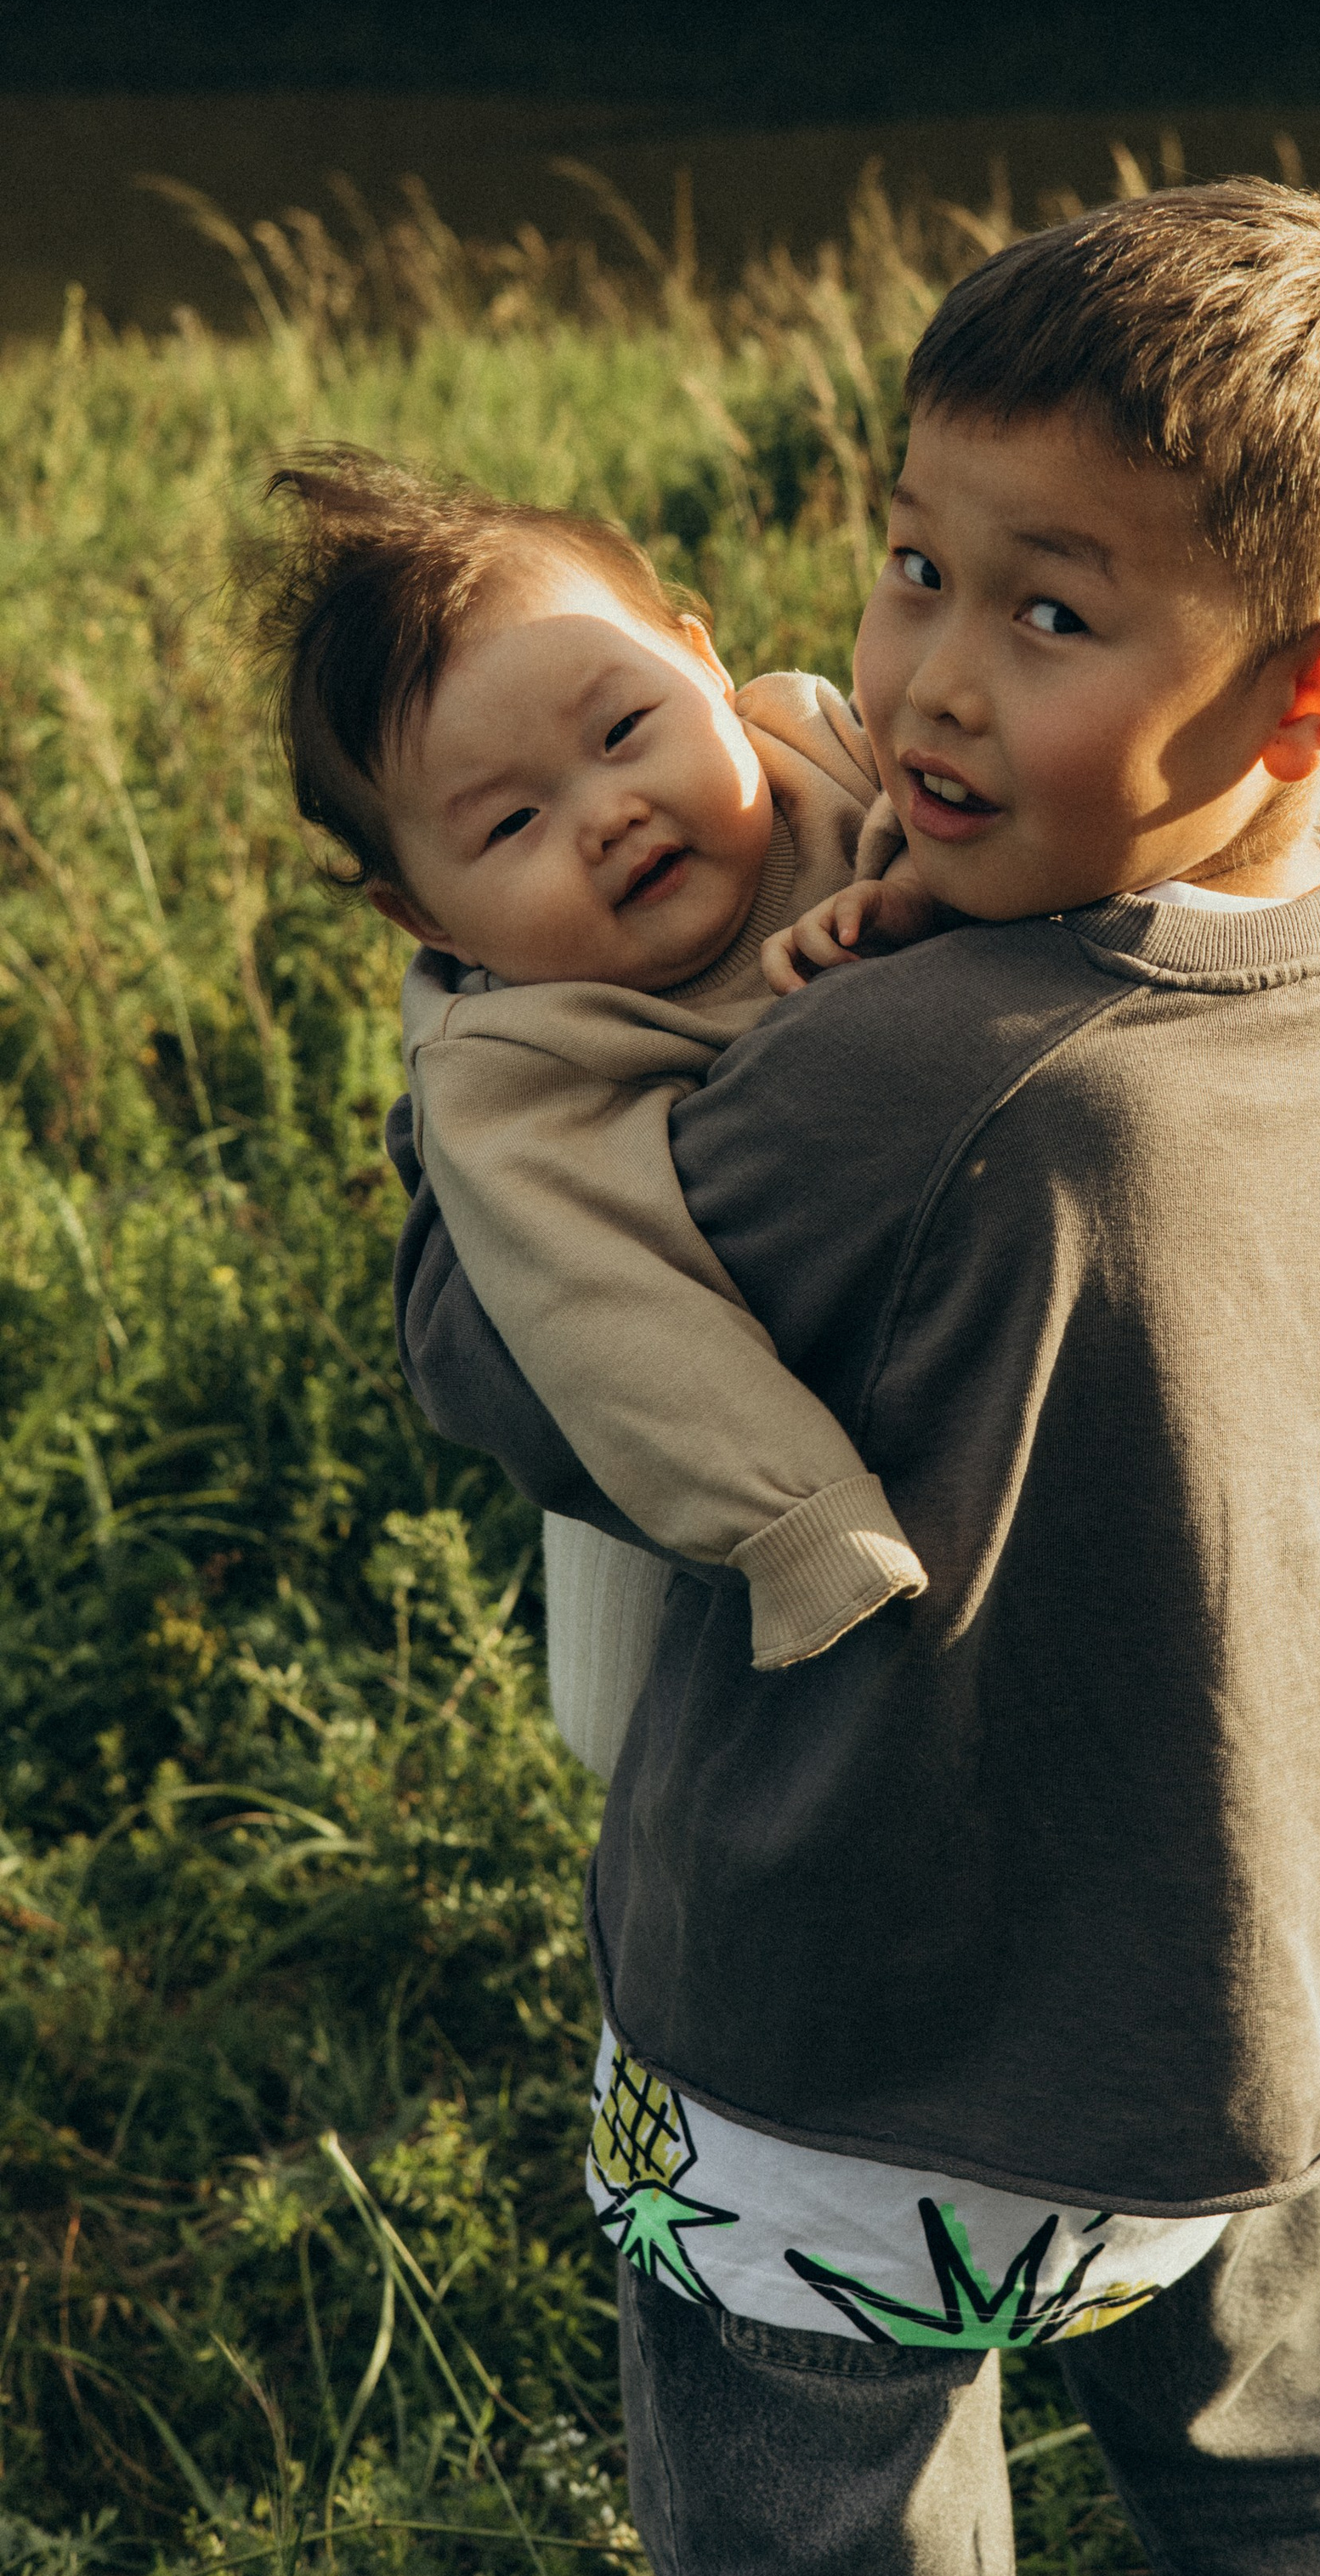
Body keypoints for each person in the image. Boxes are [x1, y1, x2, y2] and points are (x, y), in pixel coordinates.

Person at [392, 180, 1320, 2576]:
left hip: (854, 2049)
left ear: (1309, 686)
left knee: (825, 2548)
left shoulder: (913, 1063)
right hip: (1235, 1988)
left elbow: (513, 1368)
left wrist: (472, 1065)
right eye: (912, 566)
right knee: (1281, 2470)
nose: (921, 688)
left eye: (1050, 611)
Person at [250, 455, 934, 1774]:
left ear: (702, 662)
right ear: (426, 916)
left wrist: (901, 887)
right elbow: (607, 1318)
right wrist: (801, 1525)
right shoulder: (518, 1067)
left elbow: (998, 836)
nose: (608, 812)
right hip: (682, 1512)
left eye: (624, 730)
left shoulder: (824, 751)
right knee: (633, 1748)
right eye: (511, 822)